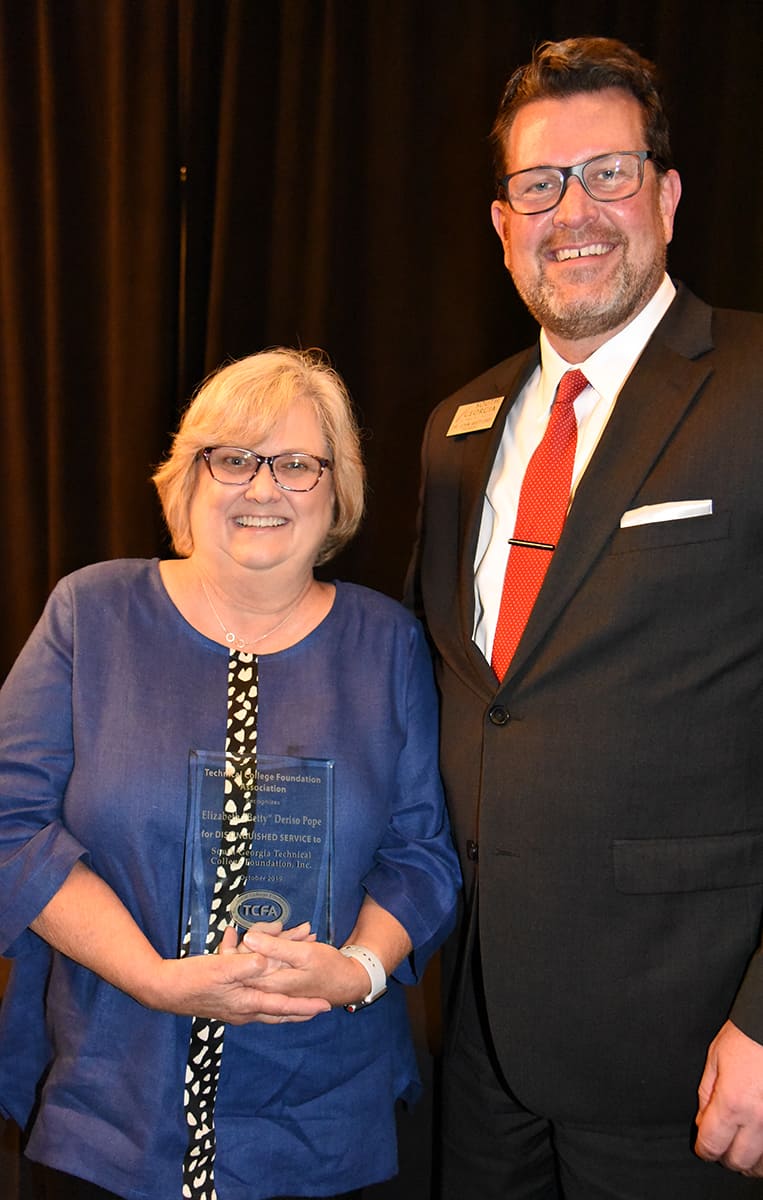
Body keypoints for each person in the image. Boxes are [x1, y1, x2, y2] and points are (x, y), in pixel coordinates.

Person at [406, 35, 763, 1200]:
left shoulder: (755, 382)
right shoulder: (456, 428)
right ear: (501, 220)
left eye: (607, 173)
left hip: (692, 1051)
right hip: (479, 1035)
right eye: (539, 184)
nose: (574, 212)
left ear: (664, 193)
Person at [0, 347, 460, 1200]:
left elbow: (422, 851)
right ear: (188, 479)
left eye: (296, 464)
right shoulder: (89, 613)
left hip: (324, 1108)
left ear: (336, 492)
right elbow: (10, 825)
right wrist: (151, 977)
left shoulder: (385, 642)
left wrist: (355, 969)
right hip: (111, 1101)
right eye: (234, 458)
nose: (263, 488)